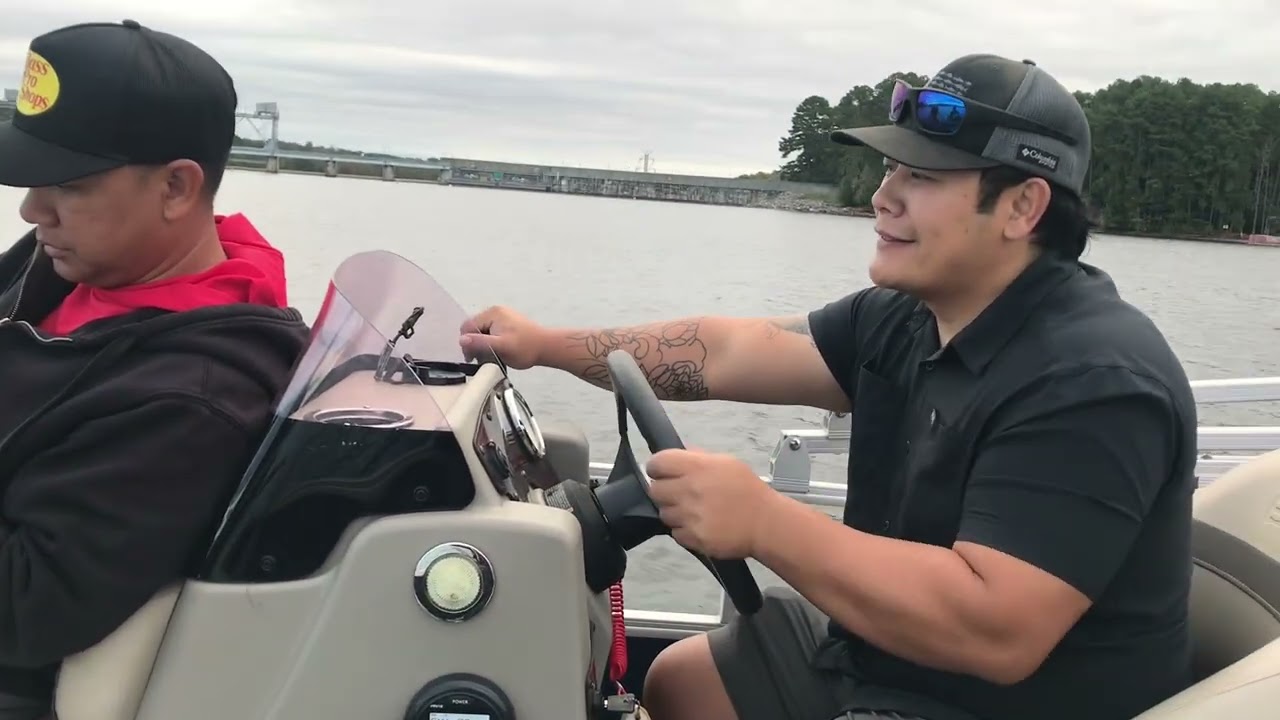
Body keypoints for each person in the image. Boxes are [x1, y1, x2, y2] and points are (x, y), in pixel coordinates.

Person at [460, 53, 1197, 720]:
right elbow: (726, 350)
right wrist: (540, 346)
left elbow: (995, 628)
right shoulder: (914, 317)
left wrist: (764, 522)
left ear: (1022, 208)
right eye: (890, 171)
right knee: (682, 682)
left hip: (1002, 704)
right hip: (898, 662)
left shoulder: (1092, 382)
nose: (884, 197)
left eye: (923, 177)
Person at [0, 19, 309, 718]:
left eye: (67, 184)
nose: (31, 208)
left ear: (175, 187)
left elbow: (30, 604)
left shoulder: (191, 397)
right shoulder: (78, 258)